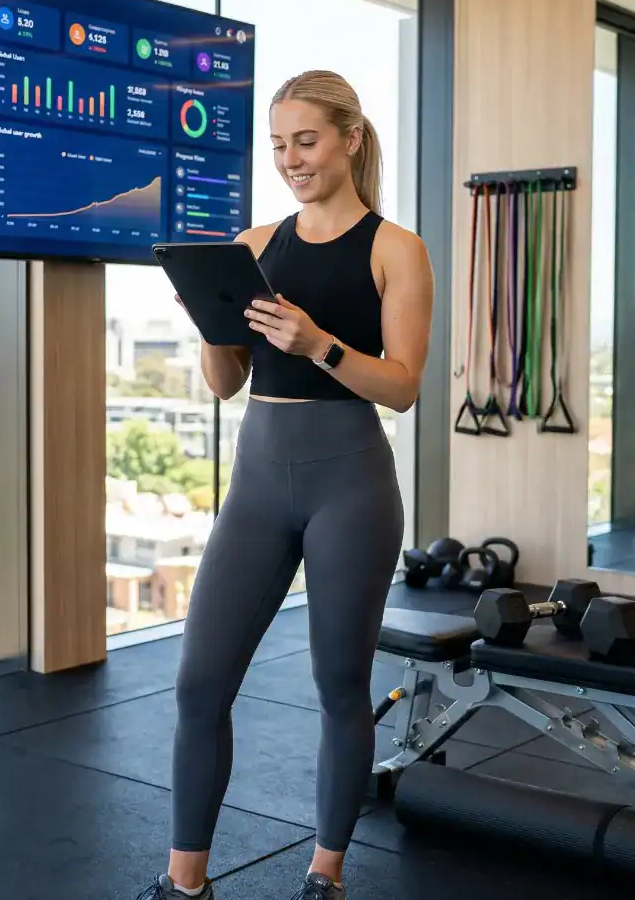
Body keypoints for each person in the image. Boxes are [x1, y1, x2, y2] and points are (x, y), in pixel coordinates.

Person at [136, 69, 434, 900]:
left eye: (305, 140)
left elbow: (404, 386)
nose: (291, 159)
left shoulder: (394, 249)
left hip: (351, 485)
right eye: (278, 146)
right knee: (199, 683)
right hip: (258, 485)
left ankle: (325, 874)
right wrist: (210, 324)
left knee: (340, 684)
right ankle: (184, 884)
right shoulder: (257, 242)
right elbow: (227, 382)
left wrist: (319, 345)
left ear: (350, 137)